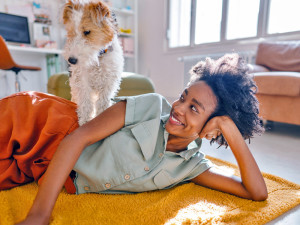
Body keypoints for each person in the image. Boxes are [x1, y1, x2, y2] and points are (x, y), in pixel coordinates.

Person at [0, 54, 268, 225]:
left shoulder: (190, 168)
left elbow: (256, 193)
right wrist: (39, 215)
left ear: (212, 127)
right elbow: (76, 138)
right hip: (41, 125)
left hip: (40, 166)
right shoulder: (153, 106)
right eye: (184, 97)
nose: (179, 107)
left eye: (194, 108)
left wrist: (229, 130)